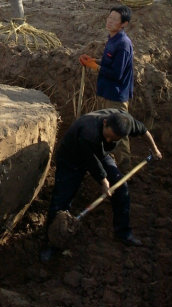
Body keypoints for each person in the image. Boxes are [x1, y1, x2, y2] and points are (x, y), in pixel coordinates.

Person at [41, 108, 162, 262]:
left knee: (121, 188)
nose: (110, 141)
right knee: (62, 200)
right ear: (105, 123)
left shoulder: (126, 123)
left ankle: (123, 232)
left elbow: (144, 131)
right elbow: (91, 162)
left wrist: (155, 149)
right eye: (108, 136)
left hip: (99, 154)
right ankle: (50, 243)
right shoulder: (88, 131)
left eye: (115, 139)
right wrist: (103, 181)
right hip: (72, 157)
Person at [80, 4, 134, 173]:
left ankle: (125, 167)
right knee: (104, 126)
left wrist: (94, 67)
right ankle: (104, 159)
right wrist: (94, 61)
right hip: (106, 91)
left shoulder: (123, 44)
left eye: (114, 19)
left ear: (123, 24)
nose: (110, 21)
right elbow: (110, 63)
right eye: (109, 17)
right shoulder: (112, 38)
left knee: (119, 131)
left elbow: (117, 74)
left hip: (116, 95)